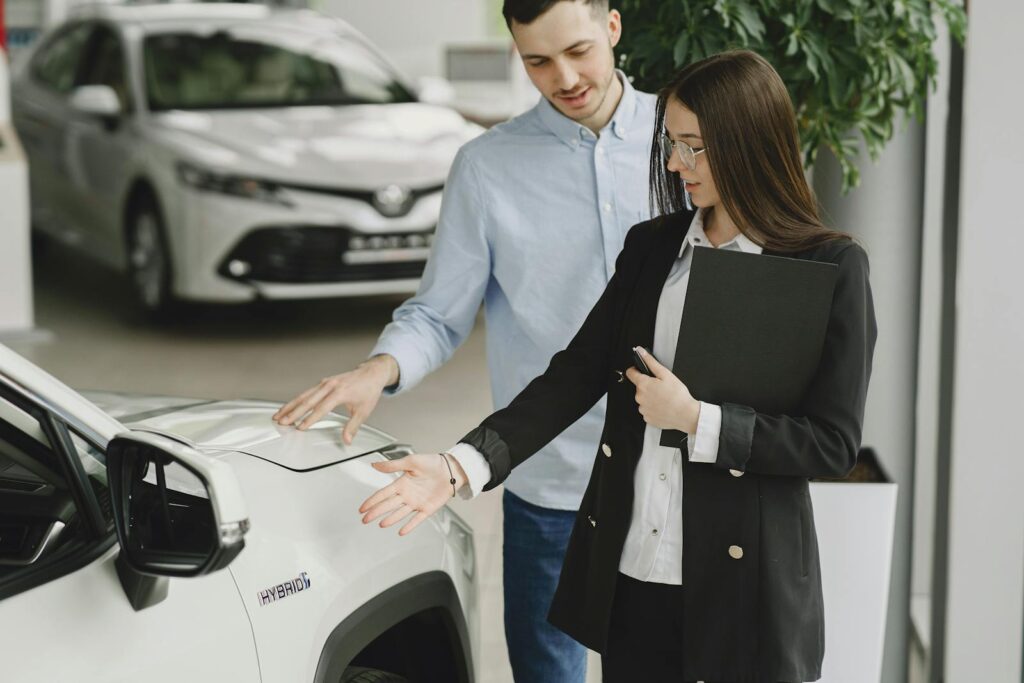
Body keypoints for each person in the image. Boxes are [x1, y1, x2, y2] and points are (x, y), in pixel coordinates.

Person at [357, 50, 878, 682]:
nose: (672, 163)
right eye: (671, 143)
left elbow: (831, 443)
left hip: (745, 590)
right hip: (636, 572)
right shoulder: (653, 248)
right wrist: (459, 464)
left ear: (747, 145)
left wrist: (697, 421)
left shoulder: (828, 268)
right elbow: (572, 376)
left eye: (693, 147)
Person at [273, 2, 656, 681]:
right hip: (547, 479)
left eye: (578, 51)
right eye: (537, 61)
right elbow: (438, 313)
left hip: (668, 478)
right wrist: (380, 367)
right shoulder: (486, 167)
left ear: (613, 27)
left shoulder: (680, 140)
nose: (563, 77)